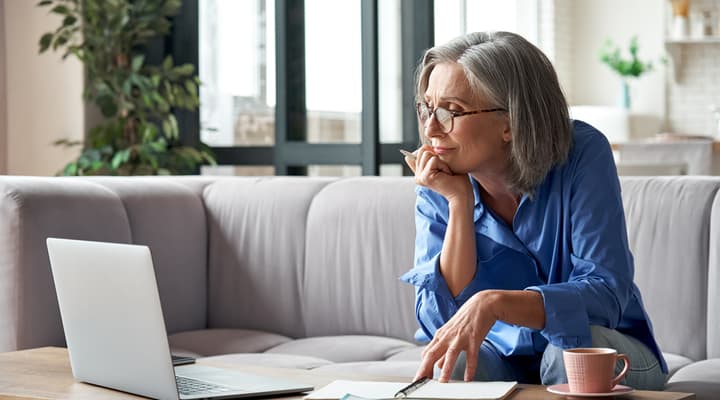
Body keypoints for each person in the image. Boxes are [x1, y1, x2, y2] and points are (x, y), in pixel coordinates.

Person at [399, 31, 667, 390]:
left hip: (607, 350)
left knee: (567, 353)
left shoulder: (582, 154)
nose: (431, 129)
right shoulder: (440, 179)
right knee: (454, 362)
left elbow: (606, 294)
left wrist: (496, 303)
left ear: (510, 122)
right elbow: (440, 324)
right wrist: (459, 204)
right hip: (503, 357)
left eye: (452, 111)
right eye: (427, 108)